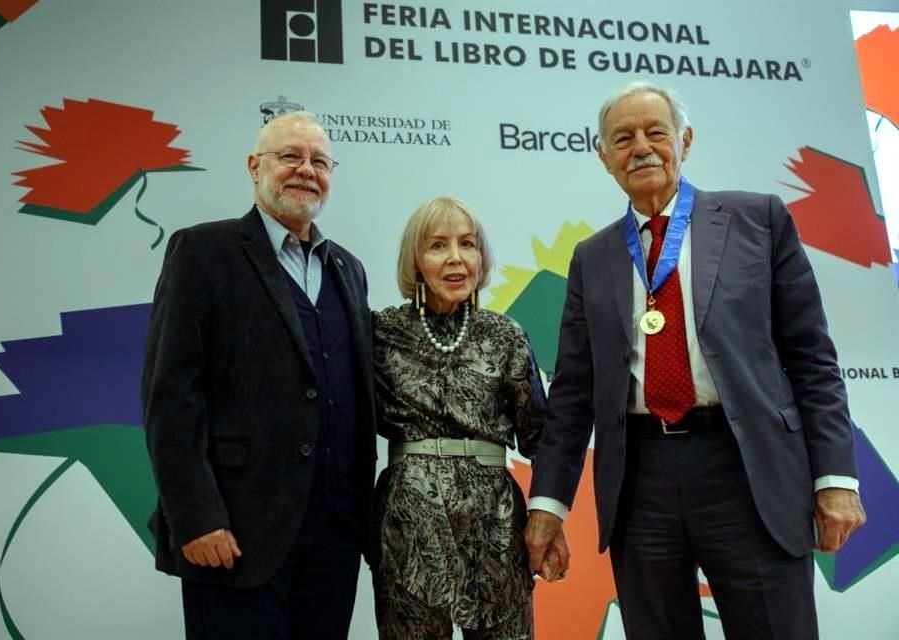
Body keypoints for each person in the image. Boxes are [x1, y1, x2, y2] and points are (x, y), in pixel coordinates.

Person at [525, 81, 866, 639]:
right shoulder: (592, 257)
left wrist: (835, 479)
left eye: (655, 132)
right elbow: (572, 394)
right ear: (604, 157)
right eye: (622, 139)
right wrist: (547, 504)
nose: (641, 148)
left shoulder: (759, 220)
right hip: (640, 481)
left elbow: (812, 360)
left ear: (685, 140)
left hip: (747, 469)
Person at [142, 111, 376, 640]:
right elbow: (170, 395)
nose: (306, 170)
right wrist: (196, 516)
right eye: (290, 156)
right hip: (233, 533)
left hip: (334, 537)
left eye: (320, 161)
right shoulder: (202, 252)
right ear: (254, 166)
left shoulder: (349, 269)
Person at [370, 196, 546, 640]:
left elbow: (542, 437)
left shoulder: (505, 336)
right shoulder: (380, 333)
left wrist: (548, 521)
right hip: (409, 526)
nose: (455, 257)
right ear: (415, 260)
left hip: (496, 526)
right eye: (437, 245)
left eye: (467, 244)